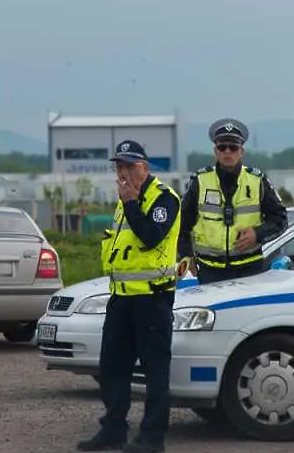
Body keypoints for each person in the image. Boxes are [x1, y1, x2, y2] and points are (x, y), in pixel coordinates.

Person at [77, 140, 181, 453]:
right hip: (121, 298)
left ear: (145, 168)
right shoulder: (123, 203)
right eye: (119, 167)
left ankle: (152, 437)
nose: (124, 173)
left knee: (154, 372)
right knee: (112, 366)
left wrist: (134, 203)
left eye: (130, 166)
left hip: (152, 299)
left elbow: (150, 237)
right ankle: (114, 429)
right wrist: (129, 203)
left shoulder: (163, 198)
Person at [177, 118, 288, 284]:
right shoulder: (200, 181)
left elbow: (280, 219)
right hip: (210, 272)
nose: (227, 152)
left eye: (233, 147)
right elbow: (181, 224)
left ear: (241, 151)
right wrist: (186, 254)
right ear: (215, 151)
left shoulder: (257, 181)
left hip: (249, 271)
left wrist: (257, 234)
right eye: (222, 147)